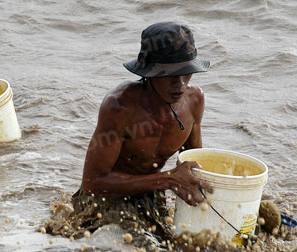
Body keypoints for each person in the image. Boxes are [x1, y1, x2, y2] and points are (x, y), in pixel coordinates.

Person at [69, 22, 213, 239]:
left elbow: (193, 167)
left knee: (191, 244)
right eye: (170, 74)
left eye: (186, 72)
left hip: (152, 195)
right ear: (150, 73)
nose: (180, 84)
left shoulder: (195, 101)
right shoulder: (119, 107)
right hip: (105, 198)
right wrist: (168, 180)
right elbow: (92, 183)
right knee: (142, 250)